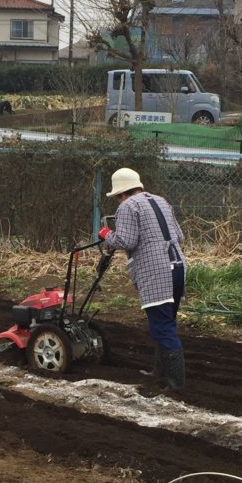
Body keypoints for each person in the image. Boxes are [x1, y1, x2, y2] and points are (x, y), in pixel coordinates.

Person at [98, 167, 186, 397]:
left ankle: (176, 384)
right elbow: (179, 236)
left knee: (162, 327)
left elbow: (126, 240)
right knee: (166, 322)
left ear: (121, 192)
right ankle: (159, 371)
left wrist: (106, 234)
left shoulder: (127, 206)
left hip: (156, 272)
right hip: (178, 267)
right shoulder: (160, 201)